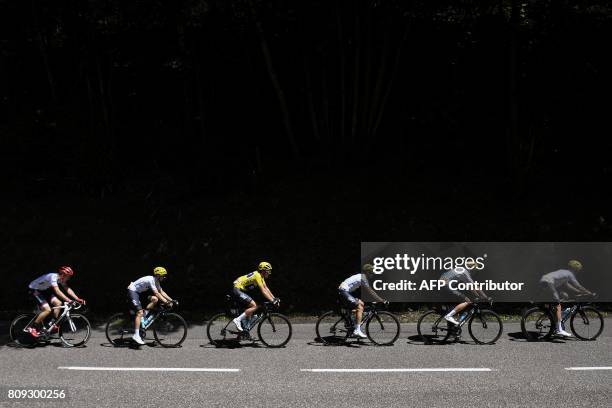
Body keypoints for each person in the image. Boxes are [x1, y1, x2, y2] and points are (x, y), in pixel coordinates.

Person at [539, 260, 594, 337]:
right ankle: (559, 330)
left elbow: (568, 286)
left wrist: (579, 292)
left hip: (544, 281)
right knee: (558, 305)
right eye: (578, 270)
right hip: (548, 282)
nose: (578, 272)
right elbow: (578, 285)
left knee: (565, 296)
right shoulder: (569, 274)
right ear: (575, 269)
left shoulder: (564, 272)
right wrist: (589, 293)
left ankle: (556, 322)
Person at [27, 266, 86, 337]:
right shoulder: (53, 277)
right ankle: (32, 327)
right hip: (34, 289)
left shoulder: (61, 279)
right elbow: (57, 291)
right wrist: (69, 300)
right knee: (47, 310)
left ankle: (52, 324)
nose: (69, 278)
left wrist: (77, 299)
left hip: (44, 290)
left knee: (58, 303)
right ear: (63, 275)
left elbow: (67, 288)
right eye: (68, 276)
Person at [127, 266, 175, 345]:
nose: (164, 277)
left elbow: (161, 292)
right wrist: (166, 302)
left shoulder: (156, 281)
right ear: (158, 275)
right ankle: (136, 335)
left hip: (140, 293)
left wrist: (171, 300)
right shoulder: (151, 280)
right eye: (163, 275)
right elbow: (157, 293)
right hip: (133, 291)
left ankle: (144, 315)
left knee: (155, 299)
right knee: (139, 312)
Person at [338, 264, 386, 339]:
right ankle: (357, 330)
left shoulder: (361, 277)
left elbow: (368, 292)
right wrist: (381, 300)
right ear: (367, 272)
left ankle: (351, 322)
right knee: (359, 307)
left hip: (346, 291)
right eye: (371, 272)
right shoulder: (363, 278)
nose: (372, 274)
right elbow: (370, 291)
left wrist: (374, 299)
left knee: (361, 303)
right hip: (343, 291)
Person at [231, 262, 279, 332]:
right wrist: (272, 301)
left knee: (254, 306)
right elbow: (263, 291)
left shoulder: (260, 276)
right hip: (237, 289)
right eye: (268, 271)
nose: (269, 273)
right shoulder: (257, 276)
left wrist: (274, 298)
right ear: (263, 270)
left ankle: (245, 330)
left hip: (241, 290)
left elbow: (266, 288)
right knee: (254, 305)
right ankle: (237, 320)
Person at [441, 259, 489, 325]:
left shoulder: (462, 270)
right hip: (446, 284)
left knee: (460, 301)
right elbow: (475, 286)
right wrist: (485, 297)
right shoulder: (465, 272)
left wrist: (477, 296)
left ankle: (454, 326)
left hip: (442, 282)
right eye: (475, 269)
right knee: (467, 301)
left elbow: (470, 286)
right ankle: (449, 316)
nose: (476, 271)